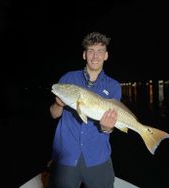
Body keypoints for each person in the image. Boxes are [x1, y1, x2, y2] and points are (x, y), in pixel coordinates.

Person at [48, 31, 121, 188]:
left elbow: (110, 127)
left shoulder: (113, 86)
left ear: (106, 55)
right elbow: (54, 115)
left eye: (100, 51)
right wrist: (59, 105)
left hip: (97, 158)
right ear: (84, 54)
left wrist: (107, 127)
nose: (95, 56)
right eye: (91, 51)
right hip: (66, 157)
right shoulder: (68, 79)